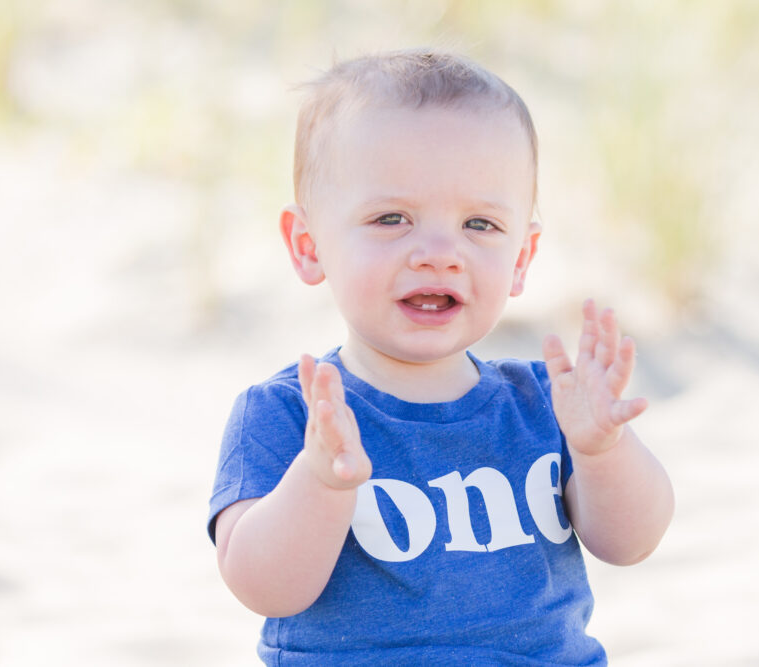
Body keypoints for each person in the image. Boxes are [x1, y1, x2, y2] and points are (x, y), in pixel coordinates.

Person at [207, 48, 674, 666]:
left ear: (522, 258)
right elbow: (264, 587)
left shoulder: (546, 405)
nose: (438, 252)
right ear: (308, 244)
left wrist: (602, 452)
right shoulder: (292, 413)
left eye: (479, 225)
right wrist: (319, 482)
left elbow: (631, 543)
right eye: (391, 218)